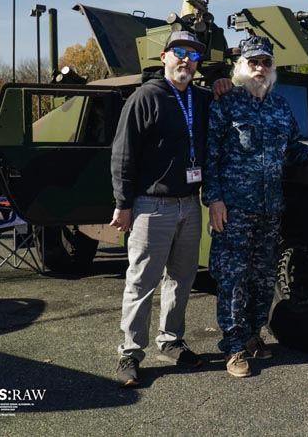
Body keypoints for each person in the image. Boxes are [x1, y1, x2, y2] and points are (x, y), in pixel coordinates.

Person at [203, 35, 308, 378]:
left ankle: (252, 334)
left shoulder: (281, 107)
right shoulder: (226, 104)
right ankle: (233, 347)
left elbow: (291, 148)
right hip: (234, 207)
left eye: (266, 62)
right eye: (254, 62)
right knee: (232, 278)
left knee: (263, 276)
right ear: (241, 66)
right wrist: (215, 200)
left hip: (269, 208)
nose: (260, 68)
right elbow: (212, 156)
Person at [110, 30, 228, 387]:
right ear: (164, 57)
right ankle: (130, 353)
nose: (186, 61)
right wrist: (123, 203)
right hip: (151, 205)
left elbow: (231, 93)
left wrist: (224, 78)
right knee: (142, 281)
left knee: (182, 279)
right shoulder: (145, 98)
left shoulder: (201, 99)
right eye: (179, 52)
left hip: (190, 205)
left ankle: (172, 341)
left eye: (193, 56)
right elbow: (123, 153)